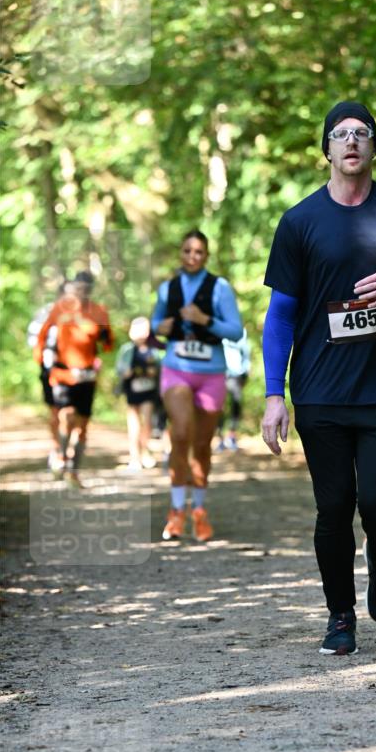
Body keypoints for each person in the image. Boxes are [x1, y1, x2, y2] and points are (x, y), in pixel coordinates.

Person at [261, 101, 376, 656]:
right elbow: (281, 316)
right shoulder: (299, 222)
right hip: (320, 392)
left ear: (374, 146)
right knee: (334, 507)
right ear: (327, 149)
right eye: (340, 134)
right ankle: (340, 615)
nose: (351, 142)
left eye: (361, 133)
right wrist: (274, 395)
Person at [151, 230, 243, 542]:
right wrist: (158, 327)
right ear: (181, 253)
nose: (193, 256)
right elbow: (155, 323)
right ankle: (176, 510)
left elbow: (235, 331)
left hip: (212, 373)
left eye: (199, 252)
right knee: (180, 433)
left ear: (206, 256)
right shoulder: (168, 288)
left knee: (202, 444)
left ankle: (199, 511)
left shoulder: (220, 288)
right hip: (177, 369)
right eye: (188, 250)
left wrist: (205, 319)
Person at [34, 271, 113, 487]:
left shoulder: (98, 311)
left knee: (82, 425)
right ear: (73, 287)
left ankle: (73, 470)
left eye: (87, 288)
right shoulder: (59, 309)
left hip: (86, 375)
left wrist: (104, 336)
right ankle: (60, 454)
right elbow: (43, 338)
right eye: (79, 287)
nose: (82, 291)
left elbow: (107, 343)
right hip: (62, 373)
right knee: (65, 416)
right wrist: (44, 365)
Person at [28, 280, 72, 474]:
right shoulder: (46, 313)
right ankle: (57, 450)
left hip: (75, 372)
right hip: (50, 370)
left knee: (70, 413)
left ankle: (66, 450)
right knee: (55, 412)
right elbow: (33, 339)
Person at [115, 316, 161, 471]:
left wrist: (152, 372)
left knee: (147, 422)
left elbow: (158, 369)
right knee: (133, 424)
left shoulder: (153, 350)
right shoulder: (126, 350)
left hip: (149, 391)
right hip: (131, 390)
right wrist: (127, 372)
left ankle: (144, 450)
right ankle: (135, 456)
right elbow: (120, 370)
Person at [217, 327, 251, 451]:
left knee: (236, 406)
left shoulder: (240, 331)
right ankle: (220, 438)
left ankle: (231, 436)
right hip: (219, 374)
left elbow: (246, 353)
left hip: (236, 375)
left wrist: (245, 373)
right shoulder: (217, 328)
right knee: (218, 408)